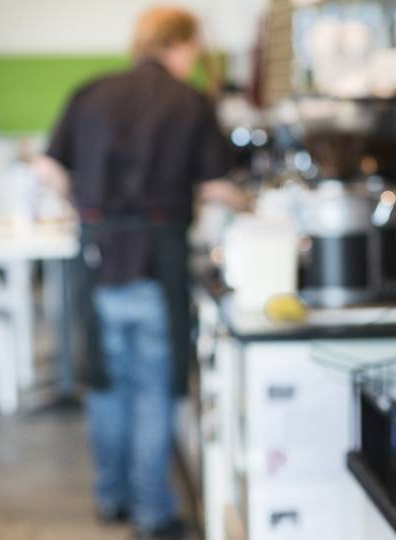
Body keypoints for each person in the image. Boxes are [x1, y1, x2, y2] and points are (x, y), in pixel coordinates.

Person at [39, 7, 245, 539]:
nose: (197, 58)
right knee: (155, 388)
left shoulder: (91, 92)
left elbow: (48, 166)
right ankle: (154, 512)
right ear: (177, 44)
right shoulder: (191, 101)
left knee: (108, 384)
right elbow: (216, 183)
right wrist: (249, 205)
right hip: (158, 261)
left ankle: (112, 499)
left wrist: (85, 202)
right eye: (196, 47)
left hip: (100, 258)